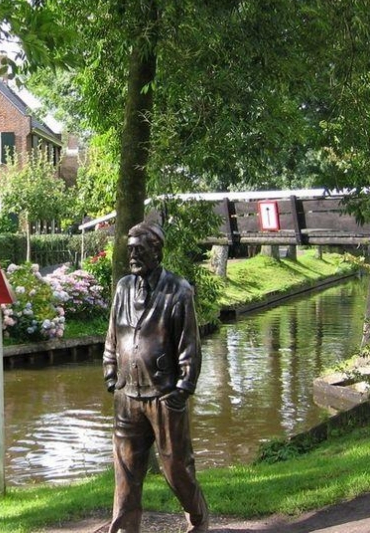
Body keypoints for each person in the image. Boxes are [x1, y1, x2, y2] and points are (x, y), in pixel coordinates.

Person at [103, 221, 209, 533]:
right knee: (126, 467)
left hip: (163, 395)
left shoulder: (178, 290)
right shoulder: (123, 288)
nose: (132, 255)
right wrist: (110, 372)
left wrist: (184, 386)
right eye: (129, 248)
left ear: (156, 251)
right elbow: (113, 334)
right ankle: (125, 526)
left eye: (139, 249)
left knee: (176, 466)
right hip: (127, 394)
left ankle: (198, 515)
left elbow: (189, 344)